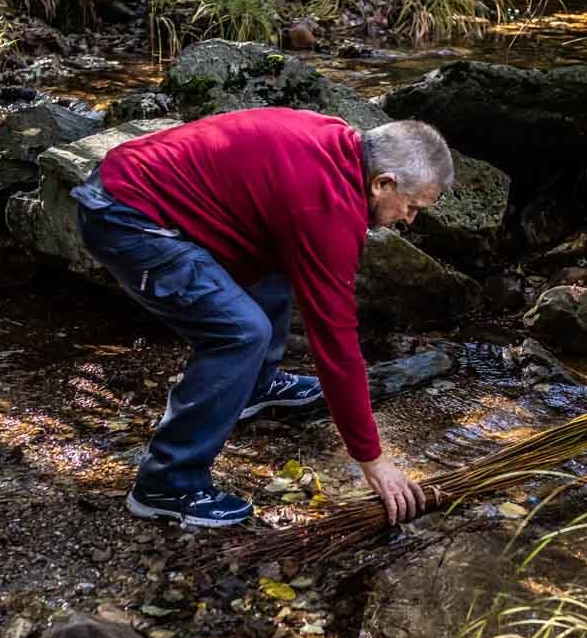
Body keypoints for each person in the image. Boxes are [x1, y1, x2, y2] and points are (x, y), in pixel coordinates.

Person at [71, 106, 453, 528]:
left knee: (277, 268)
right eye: (412, 207)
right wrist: (373, 460)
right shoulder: (326, 210)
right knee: (240, 334)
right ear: (383, 184)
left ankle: (254, 386)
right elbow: (337, 344)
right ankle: (166, 484)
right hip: (126, 218)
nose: (410, 220)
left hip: (139, 187)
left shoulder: (340, 145)